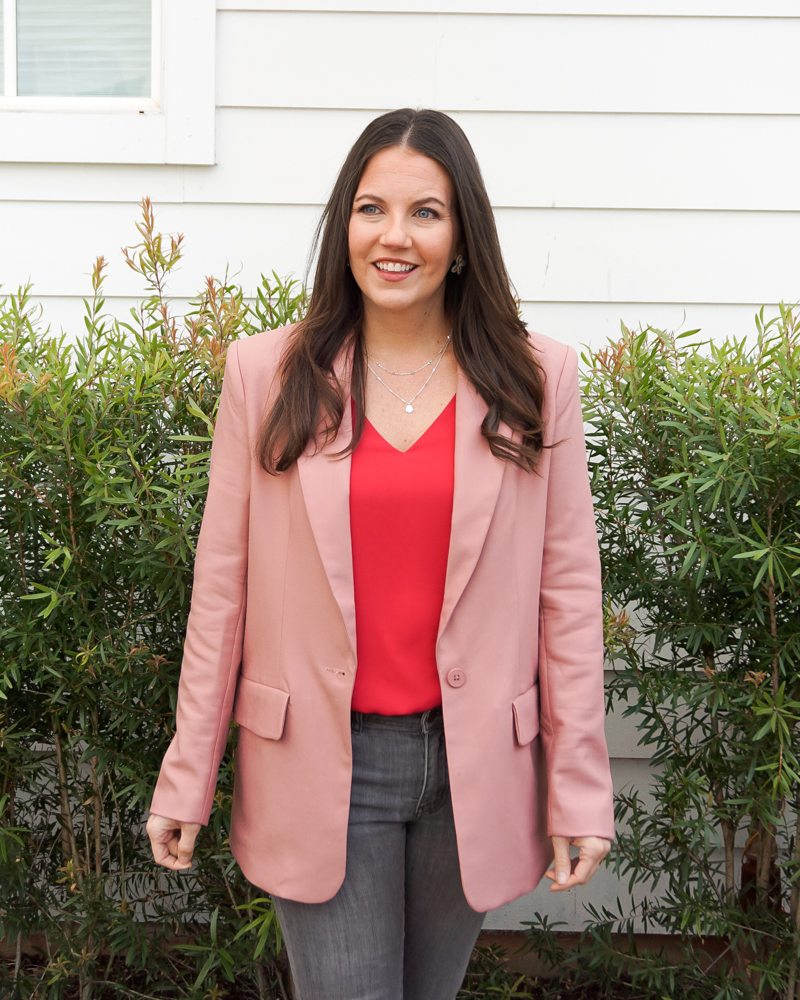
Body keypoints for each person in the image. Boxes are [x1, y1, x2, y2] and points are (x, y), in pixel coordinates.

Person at [147, 107, 614, 1000]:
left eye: (426, 213)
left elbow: (568, 595)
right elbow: (222, 595)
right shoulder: (267, 374)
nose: (394, 237)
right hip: (324, 763)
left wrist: (581, 792)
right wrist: (187, 777)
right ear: (345, 225)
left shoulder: (535, 378)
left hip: (475, 767)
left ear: (463, 234)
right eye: (371, 209)